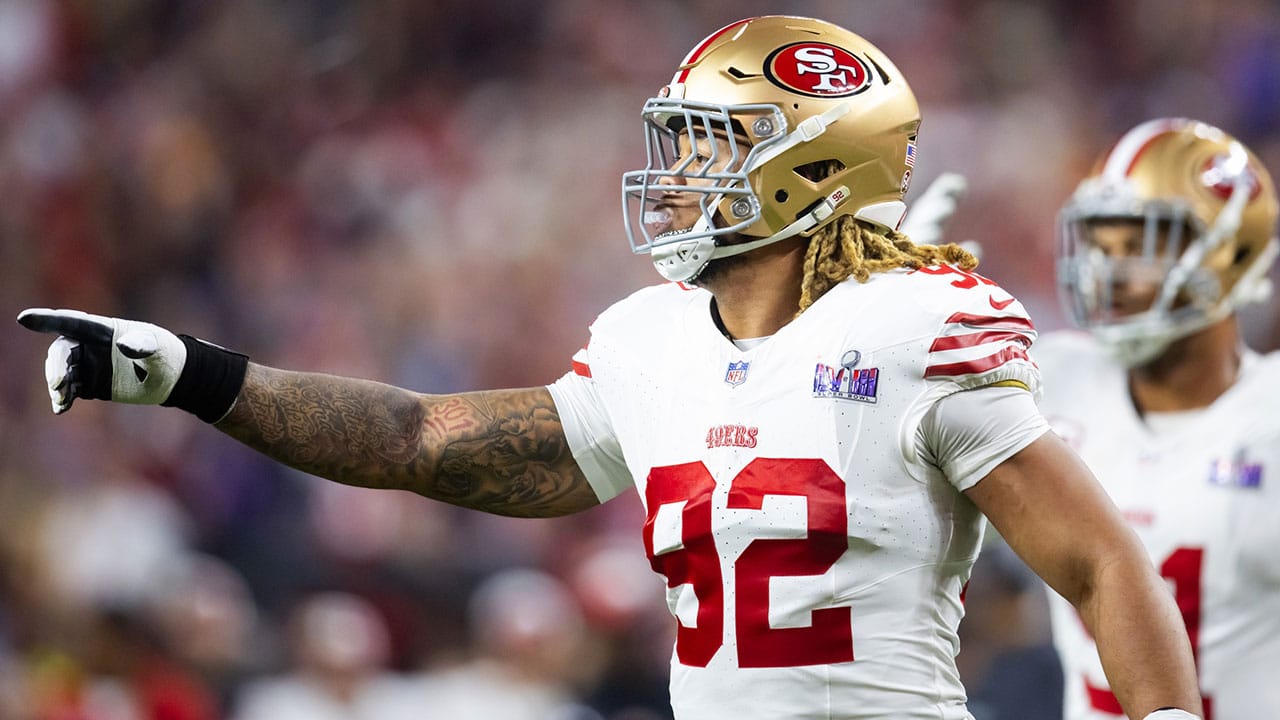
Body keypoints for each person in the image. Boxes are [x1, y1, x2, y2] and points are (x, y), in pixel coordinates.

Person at [17, 15, 1202, 720]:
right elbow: (420, 441)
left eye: (710, 144)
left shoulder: (917, 326)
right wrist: (193, 376)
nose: (677, 172)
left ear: (809, 167)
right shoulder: (648, 342)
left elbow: (1099, 560)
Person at [1036, 118, 1280, 720]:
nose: (1109, 275)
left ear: (1230, 252)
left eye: (1141, 247)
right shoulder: (1051, 380)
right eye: (1100, 246)